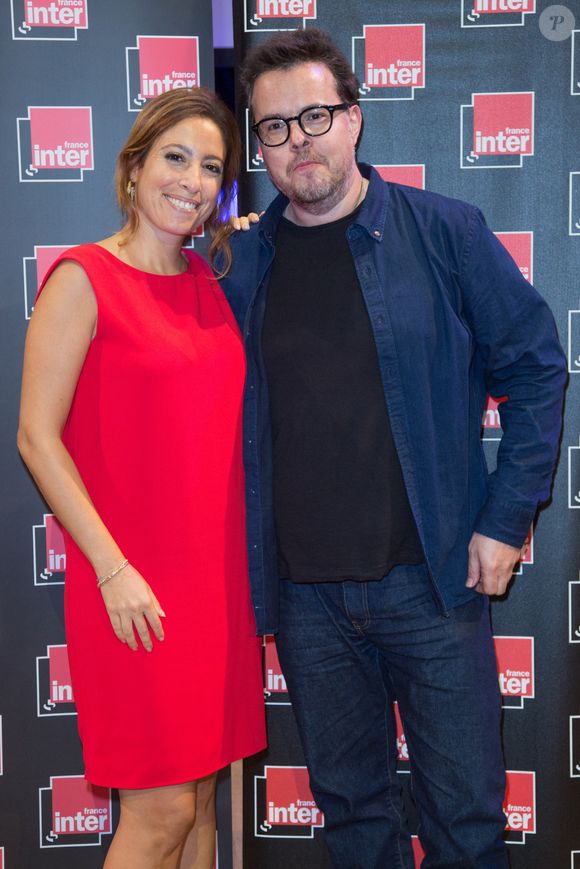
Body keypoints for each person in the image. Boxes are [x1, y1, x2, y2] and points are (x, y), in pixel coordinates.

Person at [220, 28, 567, 868]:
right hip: (306, 601)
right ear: (257, 147)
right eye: (273, 127)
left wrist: (505, 516)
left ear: (354, 119)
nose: (297, 140)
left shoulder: (446, 231)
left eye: (314, 116)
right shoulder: (239, 264)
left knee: (466, 824)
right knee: (356, 825)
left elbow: (535, 369)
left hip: (435, 580)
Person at [18, 87, 266, 869]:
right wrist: (113, 567)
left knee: (201, 812)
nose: (192, 179)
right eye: (175, 157)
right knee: (160, 812)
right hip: (134, 589)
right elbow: (36, 436)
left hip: (215, 587)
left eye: (211, 167)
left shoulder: (210, 281)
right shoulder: (83, 279)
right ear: (134, 169)